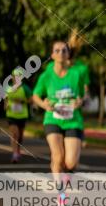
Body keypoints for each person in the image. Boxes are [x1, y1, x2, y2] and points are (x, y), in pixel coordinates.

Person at [31, 40, 87, 193]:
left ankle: (67, 174)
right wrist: (44, 104)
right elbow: (35, 96)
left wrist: (80, 101)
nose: (61, 53)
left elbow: (83, 95)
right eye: (57, 50)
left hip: (72, 121)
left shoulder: (76, 74)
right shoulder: (46, 75)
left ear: (68, 54)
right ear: (52, 55)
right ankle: (60, 191)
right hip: (52, 119)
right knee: (57, 156)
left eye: (64, 50)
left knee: (70, 163)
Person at [5, 68, 32, 163]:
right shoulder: (9, 88)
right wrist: (6, 105)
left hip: (22, 115)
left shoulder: (25, 88)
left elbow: (31, 100)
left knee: (20, 137)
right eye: (15, 76)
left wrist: (23, 101)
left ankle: (18, 150)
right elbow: (6, 99)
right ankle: (15, 154)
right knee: (14, 134)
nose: (17, 78)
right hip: (11, 115)